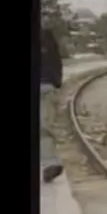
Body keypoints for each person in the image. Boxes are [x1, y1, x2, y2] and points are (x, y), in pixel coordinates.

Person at [41, 26, 64, 183]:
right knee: (44, 128)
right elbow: (56, 59)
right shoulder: (45, 34)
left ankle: (50, 164)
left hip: (45, 86)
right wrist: (56, 82)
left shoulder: (45, 34)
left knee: (44, 128)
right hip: (46, 86)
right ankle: (50, 163)